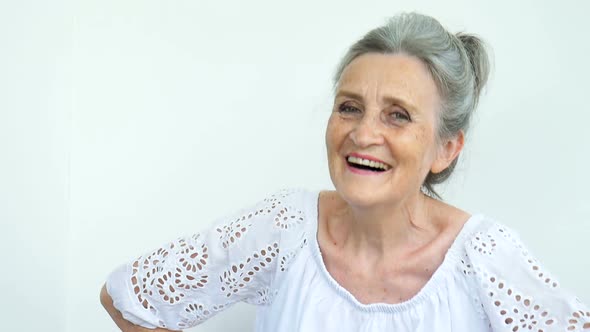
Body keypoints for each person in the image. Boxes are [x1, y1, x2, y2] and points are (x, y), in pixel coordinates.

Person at [100, 12, 590, 332]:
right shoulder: (285, 226)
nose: (362, 134)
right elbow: (126, 297)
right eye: (350, 107)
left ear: (445, 149)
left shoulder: (485, 258)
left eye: (397, 114)